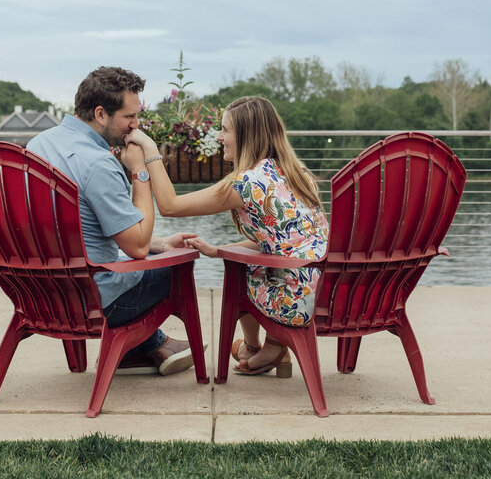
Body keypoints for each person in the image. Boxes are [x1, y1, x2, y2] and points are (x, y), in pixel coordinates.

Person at [126, 95, 329, 377]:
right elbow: (279, 238)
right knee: (248, 261)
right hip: (329, 289)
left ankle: (262, 345)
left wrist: (149, 148)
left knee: (240, 271)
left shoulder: (247, 182)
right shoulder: (299, 174)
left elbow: (169, 206)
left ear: (245, 136)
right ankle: (265, 348)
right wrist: (217, 249)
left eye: (225, 130)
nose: (219, 137)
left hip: (295, 301)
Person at [27, 66, 198, 376]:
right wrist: (140, 170)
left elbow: (80, 235)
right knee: (178, 266)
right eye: (129, 118)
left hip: (41, 292)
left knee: (154, 253)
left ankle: (146, 348)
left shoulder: (38, 145)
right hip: (90, 300)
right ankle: (152, 344)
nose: (136, 126)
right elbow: (137, 248)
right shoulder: (98, 164)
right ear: (101, 114)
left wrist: (160, 244)